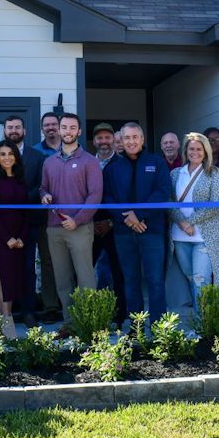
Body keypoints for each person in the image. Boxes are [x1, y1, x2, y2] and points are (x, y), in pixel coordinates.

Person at [104, 122, 171, 323]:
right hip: (124, 232)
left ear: (142, 139)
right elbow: (107, 197)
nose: (131, 141)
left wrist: (139, 215)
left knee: (155, 281)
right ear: (121, 141)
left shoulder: (157, 163)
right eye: (127, 138)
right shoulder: (112, 167)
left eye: (135, 137)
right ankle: (137, 327)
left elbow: (162, 192)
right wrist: (128, 218)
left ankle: (160, 327)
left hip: (152, 230)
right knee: (130, 280)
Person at [40, 113, 103, 328]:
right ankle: (70, 324)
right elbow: (43, 187)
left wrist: (77, 220)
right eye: (64, 127)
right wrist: (44, 195)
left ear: (79, 131)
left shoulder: (89, 161)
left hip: (80, 228)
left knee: (85, 279)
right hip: (54, 229)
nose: (68, 131)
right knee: (62, 280)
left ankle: (89, 325)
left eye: (72, 127)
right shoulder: (49, 162)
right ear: (58, 130)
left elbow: (95, 196)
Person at [168, 133, 219, 317]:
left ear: (206, 152)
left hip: (205, 237)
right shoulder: (175, 174)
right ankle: (201, 319)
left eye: (199, 149)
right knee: (191, 278)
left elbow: (216, 204)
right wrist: (181, 222)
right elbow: (169, 200)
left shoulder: (214, 173)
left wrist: (190, 222)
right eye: (191, 149)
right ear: (185, 151)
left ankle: (203, 326)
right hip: (179, 236)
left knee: (201, 280)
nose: (195, 152)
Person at [1, 115, 50, 327]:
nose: (14, 130)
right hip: (3, 224)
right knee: (6, 267)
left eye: (17, 127)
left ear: (24, 130)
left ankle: (29, 311)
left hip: (29, 222)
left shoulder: (37, 157)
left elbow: (41, 185)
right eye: (10, 127)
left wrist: (19, 197)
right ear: (4, 131)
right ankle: (8, 312)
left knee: (28, 267)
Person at [0, 140, 29, 339]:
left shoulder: (20, 179)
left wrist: (21, 237)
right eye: (2, 154)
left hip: (19, 238)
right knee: (3, 276)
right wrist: (7, 238)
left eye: (10, 153)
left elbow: (27, 211)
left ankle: (8, 317)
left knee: (15, 276)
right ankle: (6, 320)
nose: (7, 157)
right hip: (0, 237)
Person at [90, 122, 126, 323]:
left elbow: (124, 197)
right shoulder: (87, 162)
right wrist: (91, 222)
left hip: (116, 227)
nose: (104, 141)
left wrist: (112, 222)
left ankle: (119, 316)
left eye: (107, 137)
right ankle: (91, 315)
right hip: (90, 226)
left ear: (114, 140)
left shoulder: (122, 163)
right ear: (94, 141)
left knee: (118, 272)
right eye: (99, 138)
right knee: (87, 273)